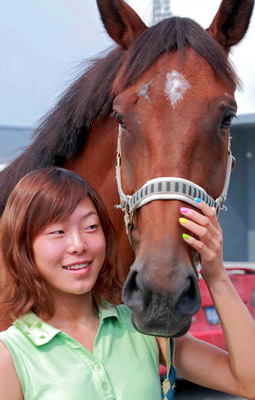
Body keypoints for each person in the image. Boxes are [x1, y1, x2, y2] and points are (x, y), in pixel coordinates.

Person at [0, 167, 255, 400]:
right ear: (23, 247)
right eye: (58, 232)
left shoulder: (142, 330)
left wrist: (216, 275)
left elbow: (248, 383)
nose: (79, 245)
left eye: (90, 226)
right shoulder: (10, 355)